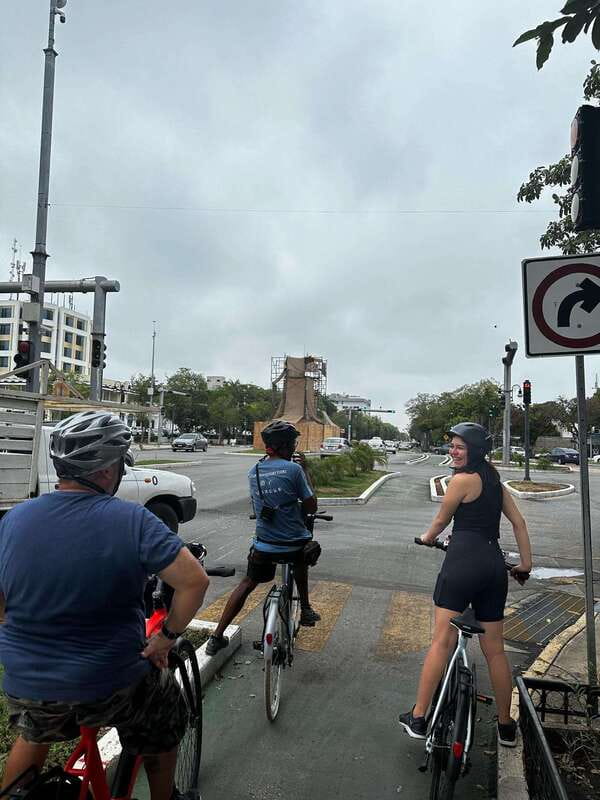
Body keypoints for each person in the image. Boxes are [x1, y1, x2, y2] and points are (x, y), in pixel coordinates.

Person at [0, 411, 209, 800]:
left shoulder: (15, 518)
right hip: (109, 681)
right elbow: (194, 581)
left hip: (27, 681)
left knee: (34, 730)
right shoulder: (131, 519)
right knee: (164, 713)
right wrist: (165, 638)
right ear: (106, 469)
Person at [398, 422, 532, 748]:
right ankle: (505, 725)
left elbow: (442, 521)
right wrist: (525, 564)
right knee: (495, 651)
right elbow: (518, 522)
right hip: (493, 566)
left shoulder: (461, 481)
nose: (453, 452)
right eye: (452, 446)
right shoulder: (495, 483)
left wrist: (427, 538)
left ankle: (418, 716)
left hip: (461, 565)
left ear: (474, 450)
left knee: (441, 642)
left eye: (459, 447)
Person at [205, 420, 320, 656]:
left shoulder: (253, 471)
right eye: (292, 443)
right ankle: (306, 608)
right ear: (285, 446)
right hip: (293, 544)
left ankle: (216, 637)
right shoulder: (294, 470)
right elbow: (311, 507)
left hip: (264, 545)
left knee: (247, 583)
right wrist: (306, 470)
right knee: (301, 554)